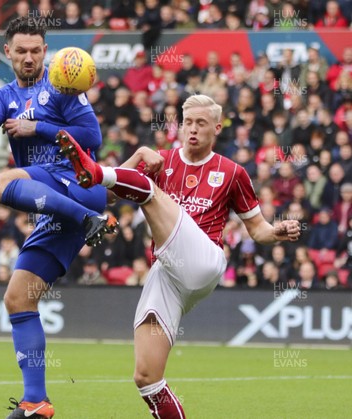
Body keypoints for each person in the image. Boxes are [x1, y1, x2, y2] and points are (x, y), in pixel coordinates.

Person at [57, 94, 301, 417]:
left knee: (148, 191)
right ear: (180, 126)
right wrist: (140, 154)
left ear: (216, 128)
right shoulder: (160, 160)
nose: (193, 129)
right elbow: (111, 198)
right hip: (168, 271)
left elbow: (258, 229)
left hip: (204, 261)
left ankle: (98, 168)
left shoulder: (232, 172)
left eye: (201, 123)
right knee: (146, 377)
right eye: (188, 123)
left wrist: (277, 231)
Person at [0, 16, 117, 418]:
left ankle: (86, 218)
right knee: (17, 298)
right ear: (7, 52)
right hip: (50, 201)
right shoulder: (7, 93)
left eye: (36, 50)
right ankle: (36, 402)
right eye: (21, 51)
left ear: (46, 51)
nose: (29, 58)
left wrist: (37, 127)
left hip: (75, 184)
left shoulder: (62, 84)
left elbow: (93, 139)